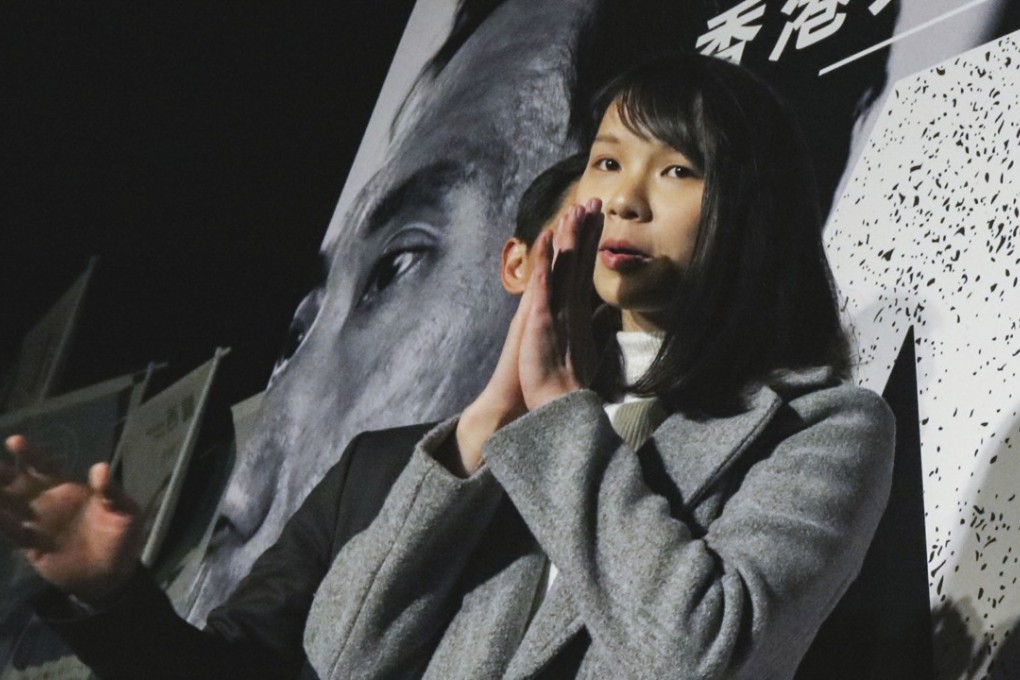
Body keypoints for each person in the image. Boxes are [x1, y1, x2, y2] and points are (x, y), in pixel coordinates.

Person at [2, 53, 893, 679]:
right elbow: (339, 660)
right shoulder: (457, 449)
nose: (620, 196)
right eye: (608, 161)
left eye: (677, 170)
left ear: (754, 209)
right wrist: (481, 435)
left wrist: (554, 422)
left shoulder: (819, 427)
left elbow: (699, 655)